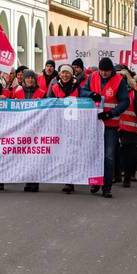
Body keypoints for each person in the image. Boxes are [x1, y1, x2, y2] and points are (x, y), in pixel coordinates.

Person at [87, 57, 130, 197]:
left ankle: (107, 187)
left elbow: (125, 101)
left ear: (111, 70)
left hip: (110, 124)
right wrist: (90, 94)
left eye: (107, 71)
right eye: (102, 71)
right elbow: (82, 91)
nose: (104, 73)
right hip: (93, 123)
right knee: (93, 153)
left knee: (109, 156)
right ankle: (95, 182)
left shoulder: (119, 81)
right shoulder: (93, 77)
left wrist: (112, 113)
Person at [50, 65, 92, 193]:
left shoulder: (76, 87)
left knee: (74, 152)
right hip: (60, 124)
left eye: (67, 73)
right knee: (65, 153)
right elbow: (48, 102)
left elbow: (84, 94)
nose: (65, 75)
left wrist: (93, 95)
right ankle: (68, 181)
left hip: (75, 124)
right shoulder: (54, 88)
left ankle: (74, 178)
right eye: (63, 73)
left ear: (71, 74)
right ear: (59, 74)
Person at [117, 66, 137, 186]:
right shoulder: (114, 92)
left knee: (129, 155)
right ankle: (117, 175)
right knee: (117, 153)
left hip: (130, 129)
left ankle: (128, 176)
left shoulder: (135, 94)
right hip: (116, 128)